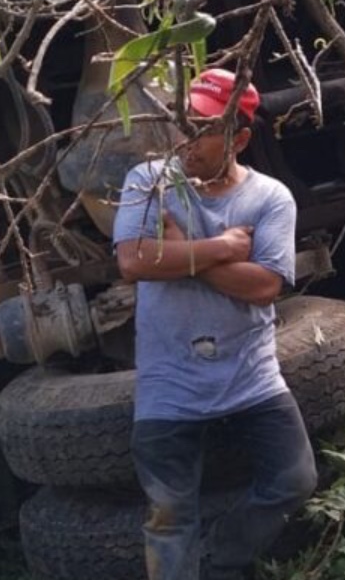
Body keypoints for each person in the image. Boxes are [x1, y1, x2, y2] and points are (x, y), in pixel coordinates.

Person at [113, 69, 317, 580]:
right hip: (168, 381)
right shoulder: (149, 179)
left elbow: (265, 286)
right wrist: (222, 249)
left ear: (240, 139)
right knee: (168, 515)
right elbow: (134, 261)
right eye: (185, 123)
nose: (188, 139)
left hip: (250, 376)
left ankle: (222, 557)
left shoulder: (271, 198)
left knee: (294, 479)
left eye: (204, 128)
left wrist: (181, 250)